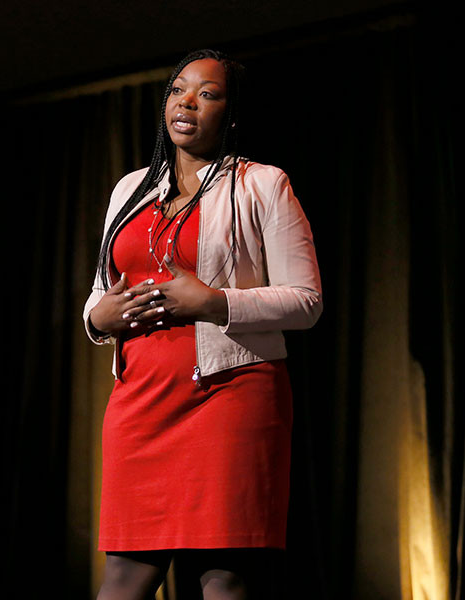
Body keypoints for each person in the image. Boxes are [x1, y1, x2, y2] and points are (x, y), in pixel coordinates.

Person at [83, 49, 322, 599]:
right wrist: (101, 317)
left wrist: (215, 302)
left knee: (224, 575)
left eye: (208, 93)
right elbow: (101, 291)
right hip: (139, 399)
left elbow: (307, 301)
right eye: (177, 90)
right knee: (123, 576)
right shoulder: (131, 189)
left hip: (230, 394)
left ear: (231, 114)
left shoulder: (263, 184)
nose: (187, 102)